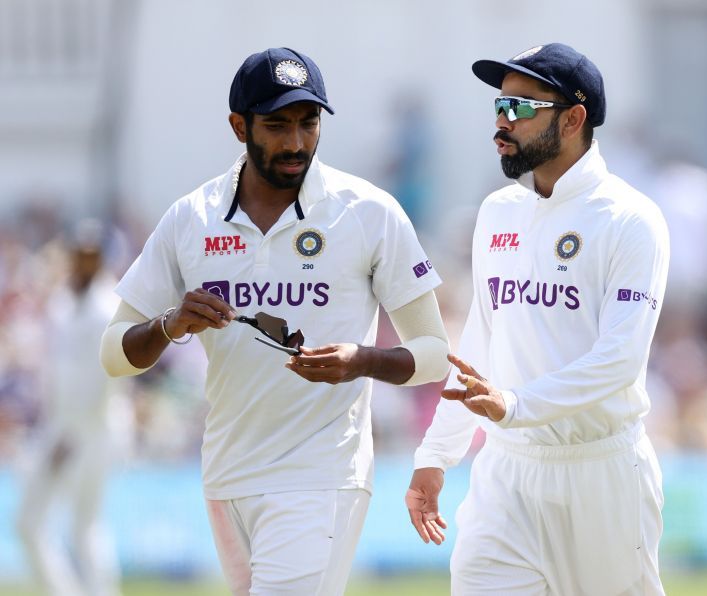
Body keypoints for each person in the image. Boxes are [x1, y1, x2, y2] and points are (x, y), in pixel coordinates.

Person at [99, 47, 449, 595]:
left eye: (308, 124)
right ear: (239, 126)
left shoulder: (368, 212)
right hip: (226, 473)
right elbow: (114, 354)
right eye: (277, 125)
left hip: (321, 474)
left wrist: (361, 361)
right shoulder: (191, 217)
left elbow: (433, 354)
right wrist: (169, 324)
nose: (295, 142)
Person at [406, 43, 670, 595]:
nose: (504, 120)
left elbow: (619, 360)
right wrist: (437, 454)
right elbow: (478, 341)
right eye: (500, 106)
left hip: (599, 474)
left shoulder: (630, 219)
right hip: (506, 473)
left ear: (574, 118)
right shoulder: (497, 211)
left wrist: (516, 405)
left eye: (523, 108)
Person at [17, 219, 131, 596]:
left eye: (91, 255)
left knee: (84, 525)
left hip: (92, 430)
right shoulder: (62, 302)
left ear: (102, 258)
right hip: (60, 425)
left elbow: (107, 380)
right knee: (31, 524)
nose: (83, 262)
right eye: (78, 254)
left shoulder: (107, 307)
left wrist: (71, 433)